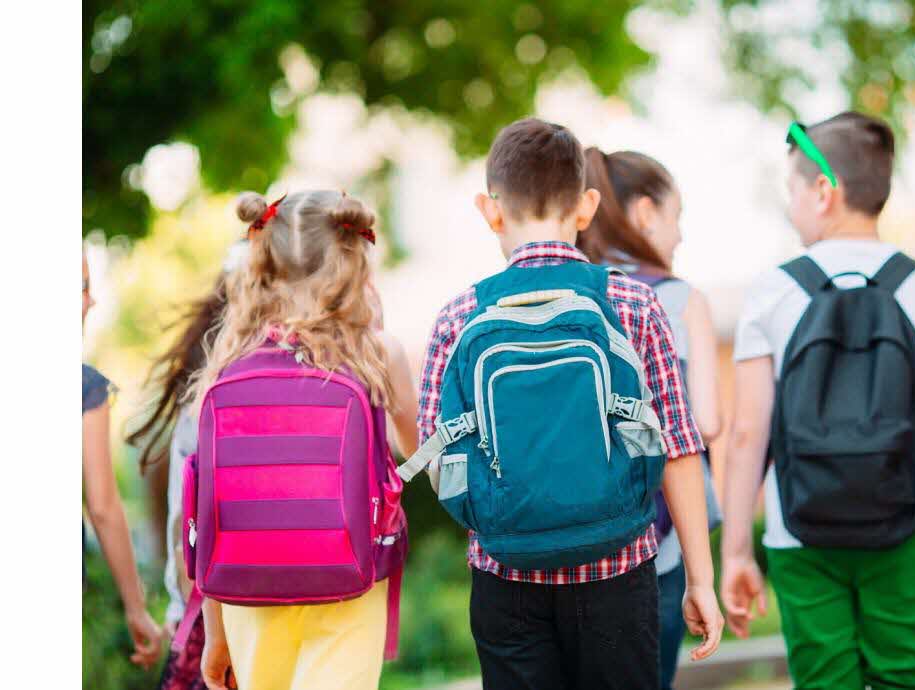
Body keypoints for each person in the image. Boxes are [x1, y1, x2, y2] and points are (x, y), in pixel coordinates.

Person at [411, 118, 723, 690]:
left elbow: (436, 453)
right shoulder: (634, 303)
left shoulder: (459, 316)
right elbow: (679, 446)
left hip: (506, 577)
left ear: (491, 209)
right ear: (586, 208)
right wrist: (700, 580)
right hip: (619, 572)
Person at [719, 112, 915, 689]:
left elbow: (748, 434)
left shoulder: (772, 290)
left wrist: (736, 552)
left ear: (823, 191)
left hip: (802, 533)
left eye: (791, 190)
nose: (790, 206)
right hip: (913, 527)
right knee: (910, 679)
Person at [193, 191, 419, 690]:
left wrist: (215, 633)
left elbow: (207, 504)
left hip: (248, 594)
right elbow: (417, 451)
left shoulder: (228, 364)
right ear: (352, 262)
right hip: (349, 585)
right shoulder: (376, 353)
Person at [578, 147, 724, 690]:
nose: (679, 234)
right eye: (675, 215)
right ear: (643, 212)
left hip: (561, 540)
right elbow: (705, 421)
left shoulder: (562, 290)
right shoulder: (679, 298)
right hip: (657, 546)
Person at [125, 243, 247, 690]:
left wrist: (183, 606)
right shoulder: (206, 397)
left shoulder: (206, 392)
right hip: (233, 610)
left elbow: (184, 524)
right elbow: (184, 525)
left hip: (214, 607)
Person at [83, 253, 164, 671]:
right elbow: (102, 506)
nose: (92, 301)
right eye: (81, 287)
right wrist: (136, 608)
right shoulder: (82, 387)